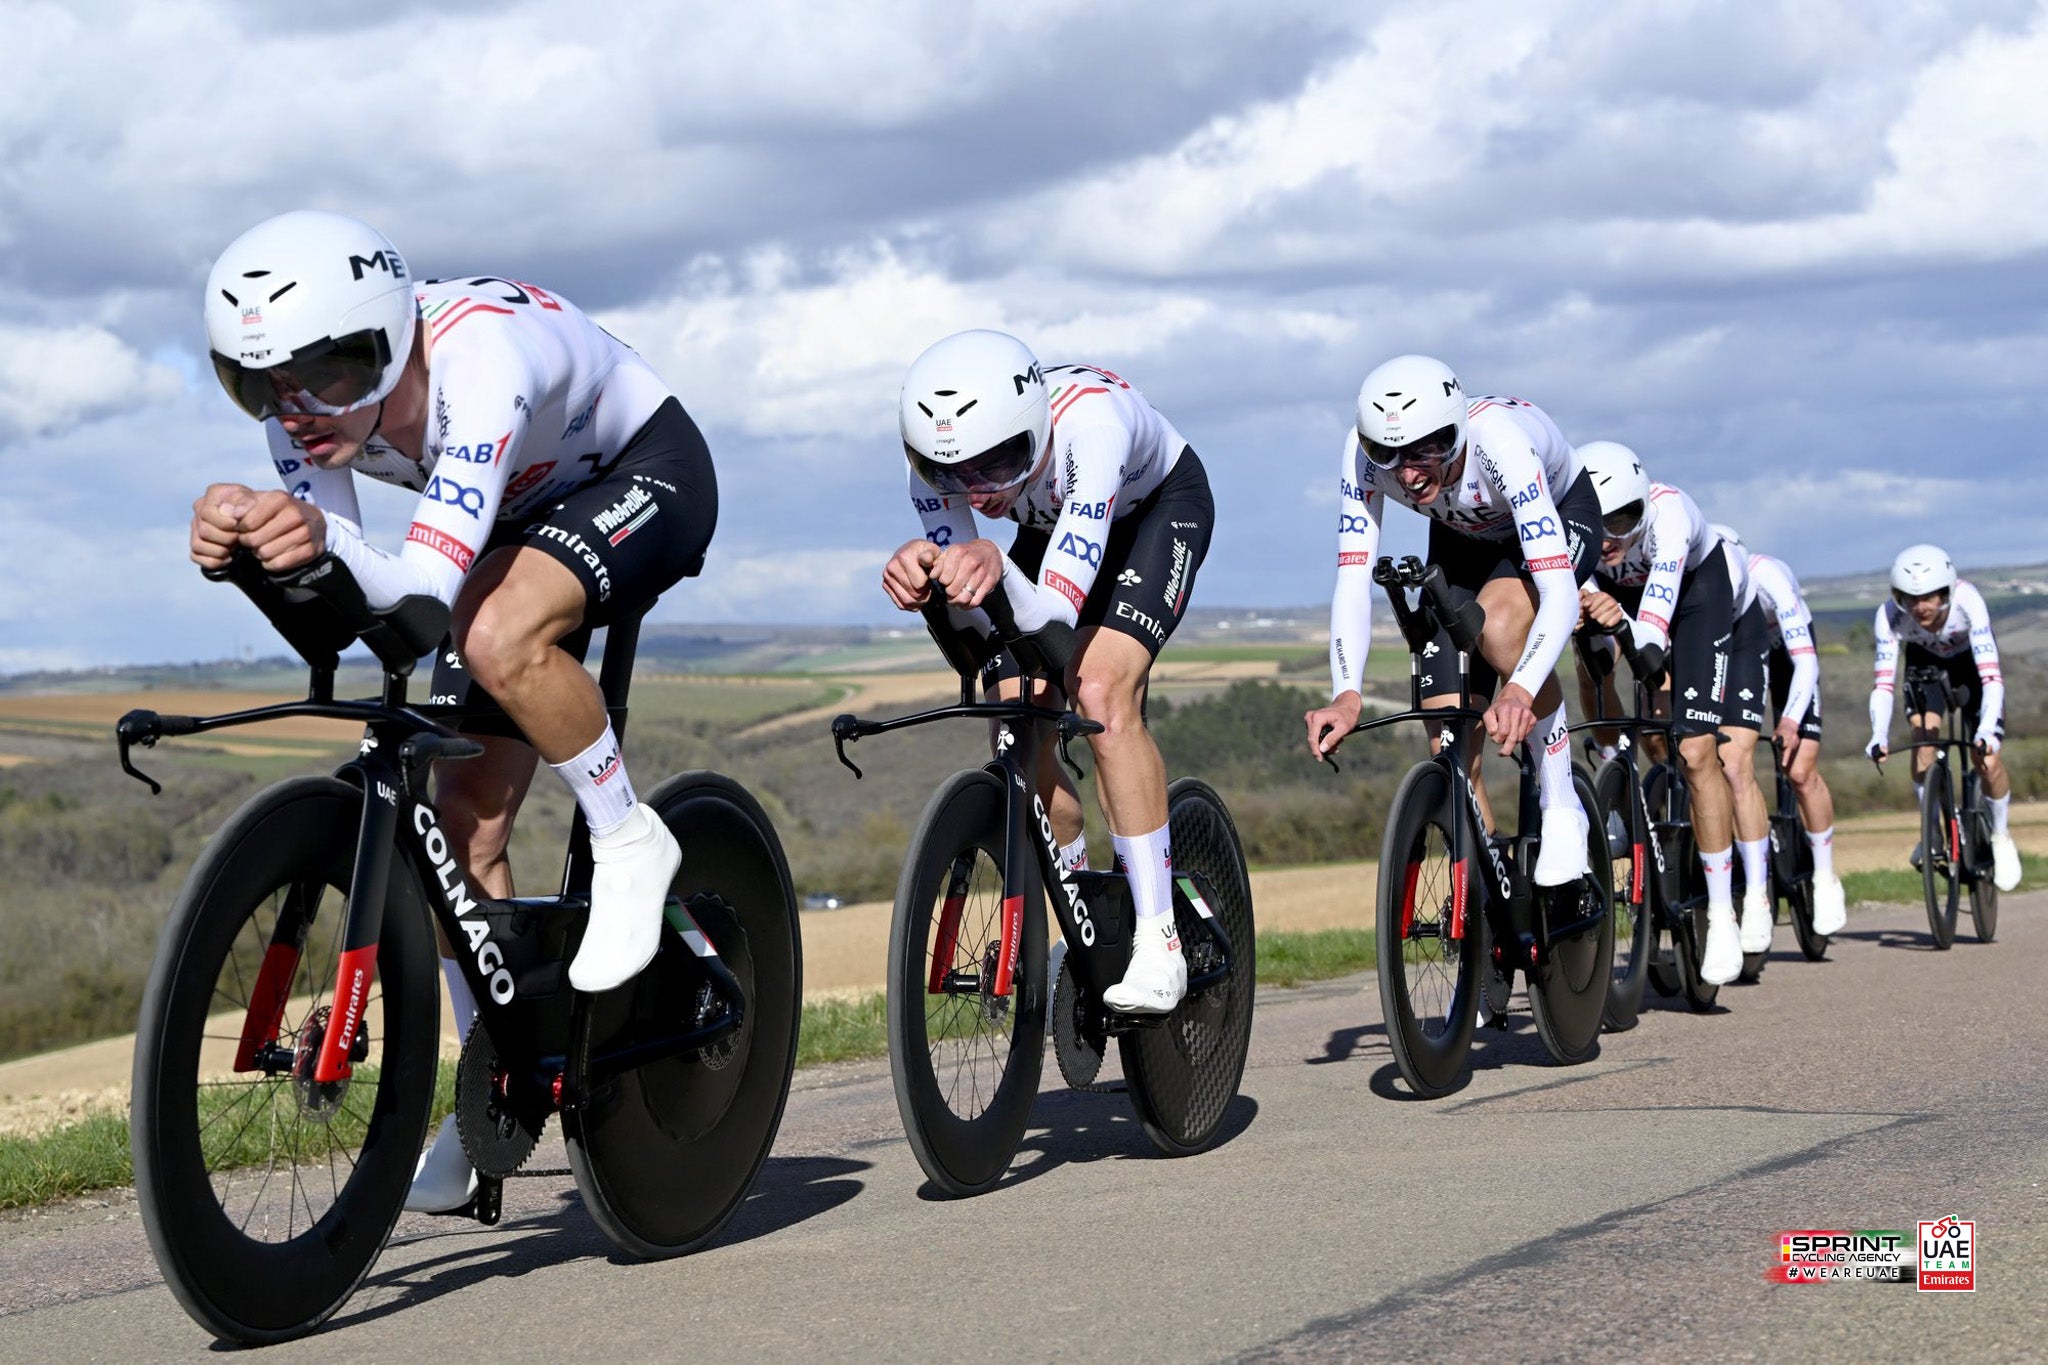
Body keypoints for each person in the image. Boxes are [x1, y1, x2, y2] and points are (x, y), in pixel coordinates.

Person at [190, 210, 718, 1211]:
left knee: (492, 633)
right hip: (518, 513)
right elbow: (354, 593)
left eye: (330, 375)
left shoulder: (480, 362)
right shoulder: (301, 417)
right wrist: (252, 545)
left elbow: (425, 586)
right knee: (460, 825)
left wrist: (312, 536)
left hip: (645, 471)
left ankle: (628, 834)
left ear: (392, 337)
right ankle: (497, 1087)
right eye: (257, 383)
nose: (297, 409)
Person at [882, 331, 1215, 1014]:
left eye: (998, 463)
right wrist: (933, 595)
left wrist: (993, 565)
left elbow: (1056, 622)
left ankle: (1160, 942)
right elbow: (981, 649)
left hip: (1153, 513)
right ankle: (1081, 910)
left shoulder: (1092, 427)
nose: (978, 491)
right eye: (955, 476)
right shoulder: (934, 465)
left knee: (1098, 688)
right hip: (1052, 524)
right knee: (1017, 712)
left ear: (1034, 429)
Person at [1306, 356, 1599, 887]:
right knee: (1446, 729)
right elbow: (1353, 577)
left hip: (1553, 518)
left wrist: (1521, 690)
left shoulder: (1501, 444)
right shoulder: (1361, 459)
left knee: (1503, 630)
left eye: (1428, 449)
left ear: (1457, 430)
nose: (1410, 473)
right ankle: (1489, 897)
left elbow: (1558, 591)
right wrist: (1346, 691)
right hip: (1462, 539)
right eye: (1388, 454)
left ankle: (1561, 805)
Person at [1573, 444, 1746, 985]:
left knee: (1696, 753)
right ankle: (1613, 769)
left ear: (1643, 508)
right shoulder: (1570, 529)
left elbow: (1650, 638)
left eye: (1622, 521)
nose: (1607, 538)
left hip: (1693, 592)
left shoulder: (1669, 517)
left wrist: (1620, 616)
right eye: (1595, 523)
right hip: (1615, 593)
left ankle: (1721, 914)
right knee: (1588, 655)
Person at [1710, 529, 1849, 935]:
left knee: (1800, 770)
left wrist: (1789, 718)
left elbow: (1805, 661)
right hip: (1738, 650)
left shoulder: (1766, 576)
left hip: (1788, 652)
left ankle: (1824, 877)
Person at [1867, 545, 2022, 891]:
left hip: (1970, 666)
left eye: (1929, 597)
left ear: (1946, 592)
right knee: (1923, 743)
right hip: (1925, 663)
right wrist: (1878, 733)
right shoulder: (1889, 616)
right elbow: (1882, 683)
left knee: (1988, 758)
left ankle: (2000, 835)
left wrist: (1986, 731)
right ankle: (1932, 832)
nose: (1920, 607)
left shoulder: (1969, 602)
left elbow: (1992, 678)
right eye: (1910, 598)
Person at [1701, 523, 1779, 956]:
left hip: (1742, 641)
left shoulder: (1753, 576)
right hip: (1693, 633)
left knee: (1733, 764)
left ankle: (1755, 893)